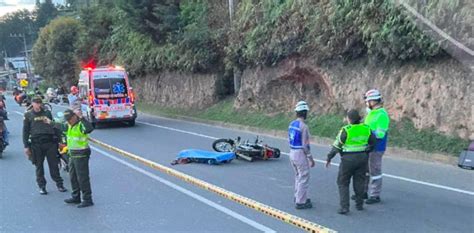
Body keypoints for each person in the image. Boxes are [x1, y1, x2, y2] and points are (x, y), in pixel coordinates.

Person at [326, 109, 376, 214]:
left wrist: (329, 157)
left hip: (348, 159)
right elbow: (373, 142)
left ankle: (344, 207)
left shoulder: (346, 130)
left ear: (349, 119)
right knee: (359, 181)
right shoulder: (366, 128)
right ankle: (359, 204)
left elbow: (336, 146)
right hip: (362, 158)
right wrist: (367, 152)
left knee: (343, 182)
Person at [23, 96, 67, 195]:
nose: (38, 104)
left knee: (54, 165)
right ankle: (42, 187)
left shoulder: (47, 113)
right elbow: (25, 131)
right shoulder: (28, 115)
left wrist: (60, 140)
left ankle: (59, 184)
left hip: (50, 142)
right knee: (39, 167)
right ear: (32, 103)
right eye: (36, 102)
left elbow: (54, 126)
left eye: (39, 103)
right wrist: (26, 146)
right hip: (36, 144)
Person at [62, 109, 95, 208]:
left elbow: (89, 129)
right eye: (67, 119)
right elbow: (61, 127)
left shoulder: (80, 124)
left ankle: (87, 199)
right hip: (72, 154)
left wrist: (82, 117)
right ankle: (76, 196)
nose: (68, 121)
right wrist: (50, 123)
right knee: (73, 177)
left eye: (70, 119)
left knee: (82, 178)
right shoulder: (69, 125)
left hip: (81, 154)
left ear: (74, 117)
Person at [363, 89, 390, 204]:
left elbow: (380, 134)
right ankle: (363, 191)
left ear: (373, 101)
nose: (366, 103)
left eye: (368, 101)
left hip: (376, 147)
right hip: (368, 146)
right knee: (366, 169)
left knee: (375, 170)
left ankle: (375, 195)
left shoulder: (382, 115)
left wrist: (368, 133)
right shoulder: (371, 113)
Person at [288, 101, 316, 209]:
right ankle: (301, 201)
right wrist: (310, 158)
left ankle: (298, 196)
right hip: (300, 153)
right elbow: (305, 145)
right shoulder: (303, 126)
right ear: (305, 113)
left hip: (292, 152)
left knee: (297, 176)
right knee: (304, 176)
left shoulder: (291, 124)